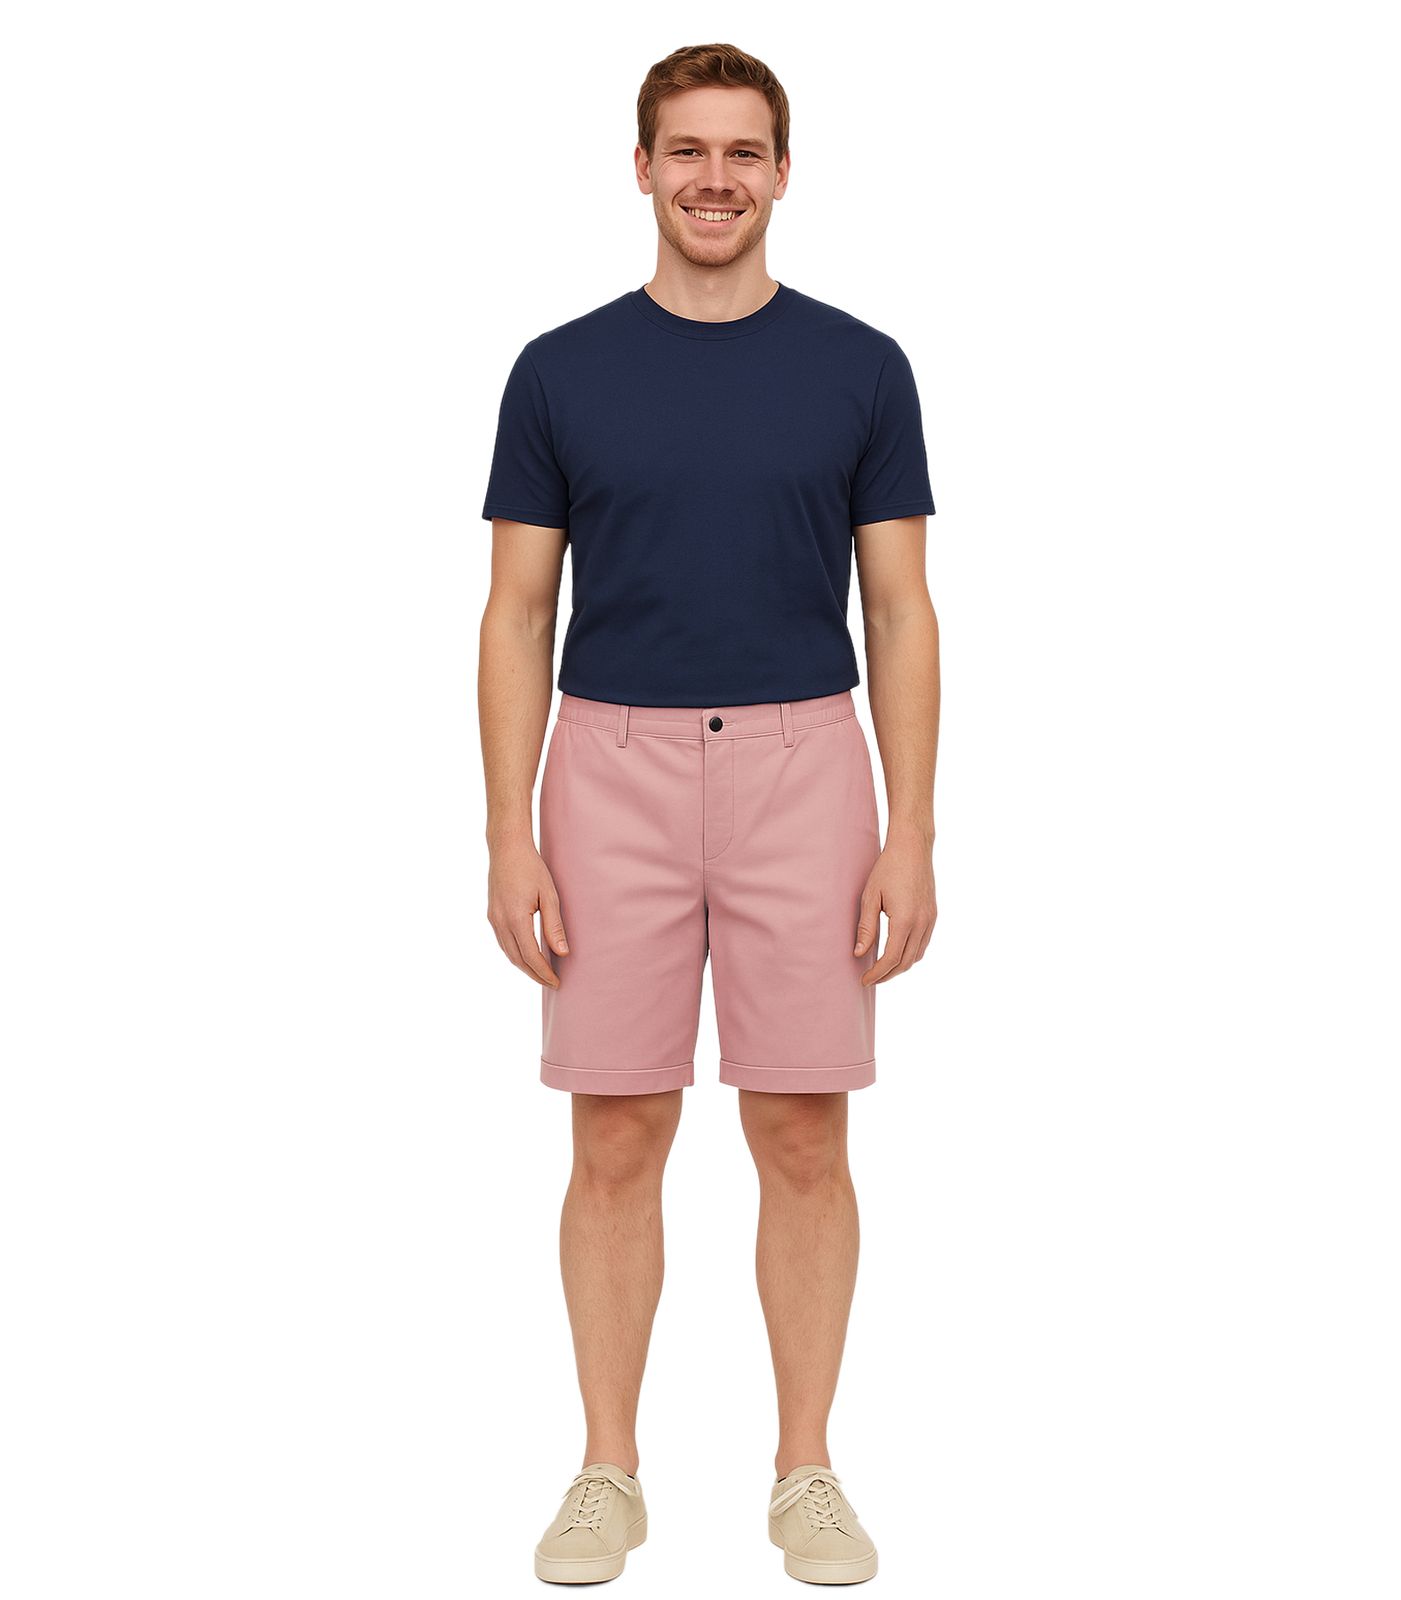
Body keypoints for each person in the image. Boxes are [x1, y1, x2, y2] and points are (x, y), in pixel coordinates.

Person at [479, 41, 939, 1586]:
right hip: (604, 766)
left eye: (743, 151)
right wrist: (507, 833)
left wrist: (911, 830)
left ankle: (804, 1470)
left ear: (783, 173)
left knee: (803, 1125)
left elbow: (900, 606)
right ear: (641, 169)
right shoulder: (558, 370)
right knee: (614, 1127)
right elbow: (515, 610)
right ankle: (606, 1472)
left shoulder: (861, 366)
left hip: (805, 766)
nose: (715, 178)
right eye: (687, 150)